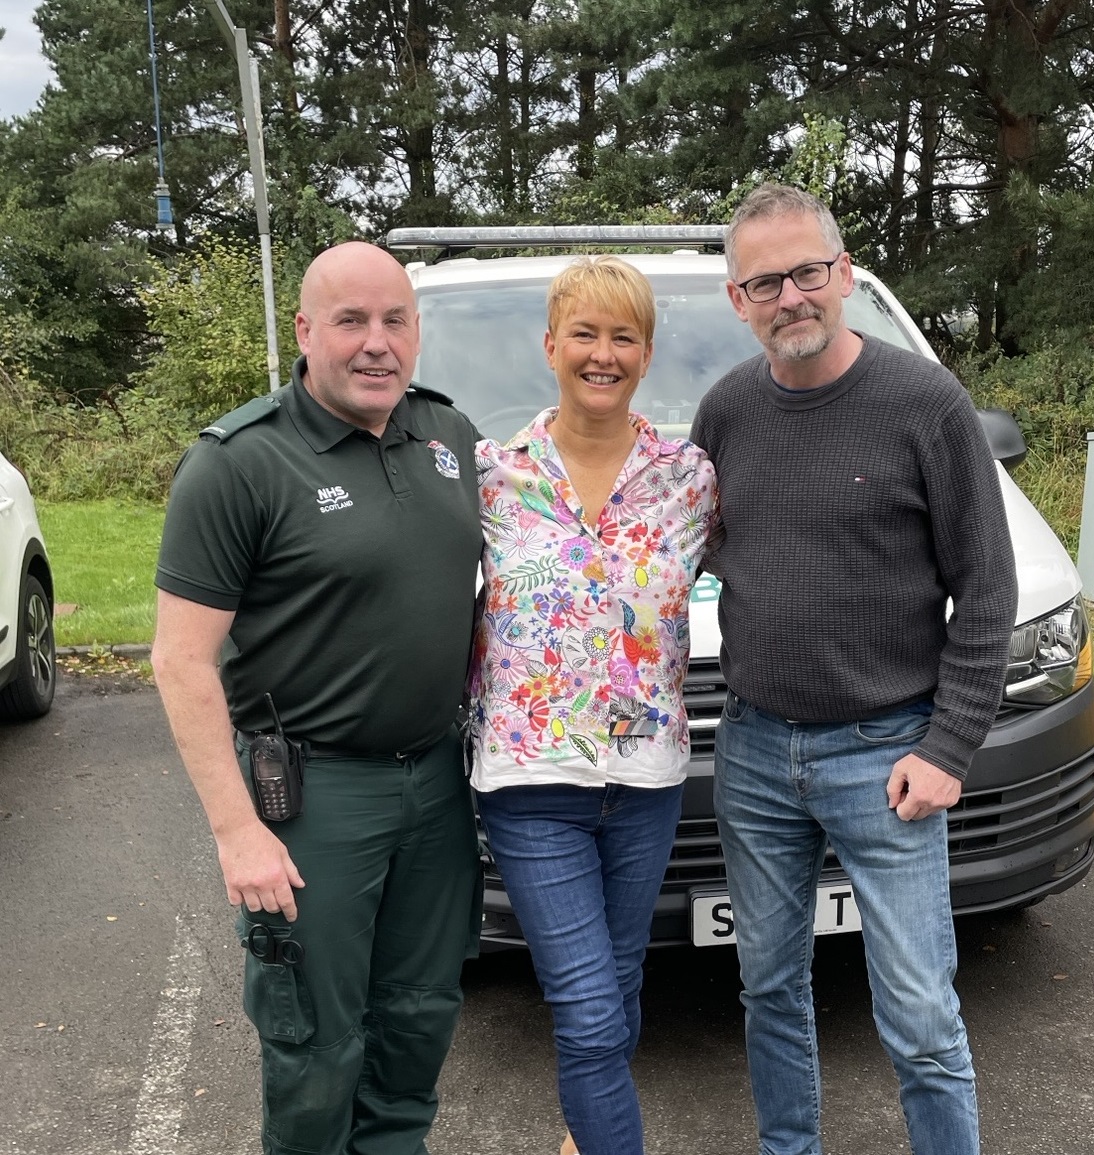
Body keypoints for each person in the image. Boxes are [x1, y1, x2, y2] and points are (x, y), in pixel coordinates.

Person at [689, 184, 1018, 1155]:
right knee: (770, 990)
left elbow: (987, 590)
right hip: (751, 751)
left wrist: (949, 745)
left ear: (842, 275)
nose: (789, 296)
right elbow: (685, 550)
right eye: (764, 281)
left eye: (807, 272)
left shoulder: (925, 403)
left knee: (918, 1014)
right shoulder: (726, 412)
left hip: (889, 757)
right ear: (736, 299)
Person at [150, 241, 484, 1155]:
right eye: (350, 321)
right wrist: (235, 829)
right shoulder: (239, 464)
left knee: (418, 1020)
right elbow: (180, 662)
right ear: (304, 331)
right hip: (311, 797)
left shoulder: (447, 437)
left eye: (395, 320)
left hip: (435, 781)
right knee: (315, 1045)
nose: (376, 344)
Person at [468, 256, 718, 1155]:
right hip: (530, 783)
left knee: (616, 985)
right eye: (585, 333)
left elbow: (788, 555)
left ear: (646, 354)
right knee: (586, 1011)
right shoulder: (493, 478)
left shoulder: (689, 480)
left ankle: (583, 1135)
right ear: (550, 345)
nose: (601, 354)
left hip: (646, 779)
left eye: (622, 337)